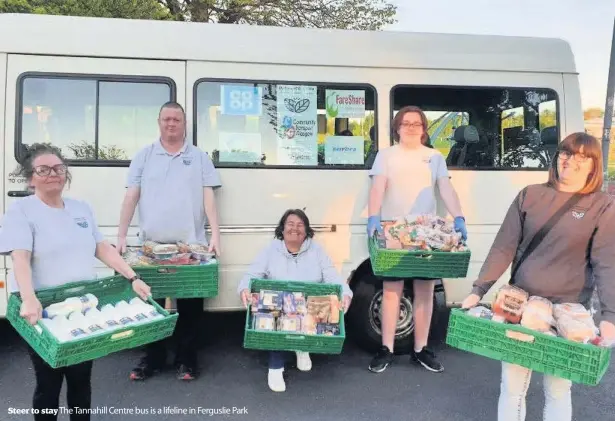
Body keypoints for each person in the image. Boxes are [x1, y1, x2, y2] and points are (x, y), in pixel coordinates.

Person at [461, 132, 615, 421]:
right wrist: (478, 290)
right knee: (513, 387)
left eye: (582, 157)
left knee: (558, 389)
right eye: (566, 153)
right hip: (520, 307)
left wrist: (610, 315)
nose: (571, 161)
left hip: (568, 313)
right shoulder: (530, 195)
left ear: (594, 165)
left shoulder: (602, 206)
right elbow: (503, 247)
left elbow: (607, 262)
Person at [0, 143, 151, 421]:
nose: (52, 174)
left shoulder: (81, 208)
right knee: (49, 382)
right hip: (43, 311)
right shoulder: (21, 211)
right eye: (43, 170)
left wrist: (133, 277)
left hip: (82, 307)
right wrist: (30, 298)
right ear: (31, 177)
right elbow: (20, 258)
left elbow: (101, 247)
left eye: (58, 168)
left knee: (81, 379)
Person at [117, 101, 222, 381]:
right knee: (151, 307)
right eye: (167, 119)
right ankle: (152, 359)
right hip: (151, 249)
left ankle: (187, 360)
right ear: (159, 122)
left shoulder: (199, 157)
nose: (171, 123)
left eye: (176, 119)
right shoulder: (144, 156)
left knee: (190, 308)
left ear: (184, 123)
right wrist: (120, 236)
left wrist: (216, 236)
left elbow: (209, 198)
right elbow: (131, 196)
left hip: (191, 247)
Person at [367, 105, 467, 374]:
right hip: (394, 230)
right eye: (405, 123)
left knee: (425, 291)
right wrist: (373, 217)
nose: (411, 127)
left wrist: (458, 216)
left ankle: (420, 350)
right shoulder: (386, 156)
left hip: (426, 232)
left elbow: (445, 187)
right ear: (397, 128)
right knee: (391, 291)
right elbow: (378, 187)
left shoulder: (434, 157)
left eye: (417, 124)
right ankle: (386, 348)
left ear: (424, 129)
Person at [237, 209, 353, 392]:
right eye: (290, 224)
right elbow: (252, 274)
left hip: (307, 308)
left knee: (318, 306)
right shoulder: (271, 250)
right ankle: (275, 367)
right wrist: (244, 289)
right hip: (279, 307)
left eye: (300, 225)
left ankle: (302, 347)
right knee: (274, 316)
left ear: (306, 231)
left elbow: (332, 276)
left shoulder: (317, 251)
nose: (295, 229)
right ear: (282, 229)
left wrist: (346, 293)